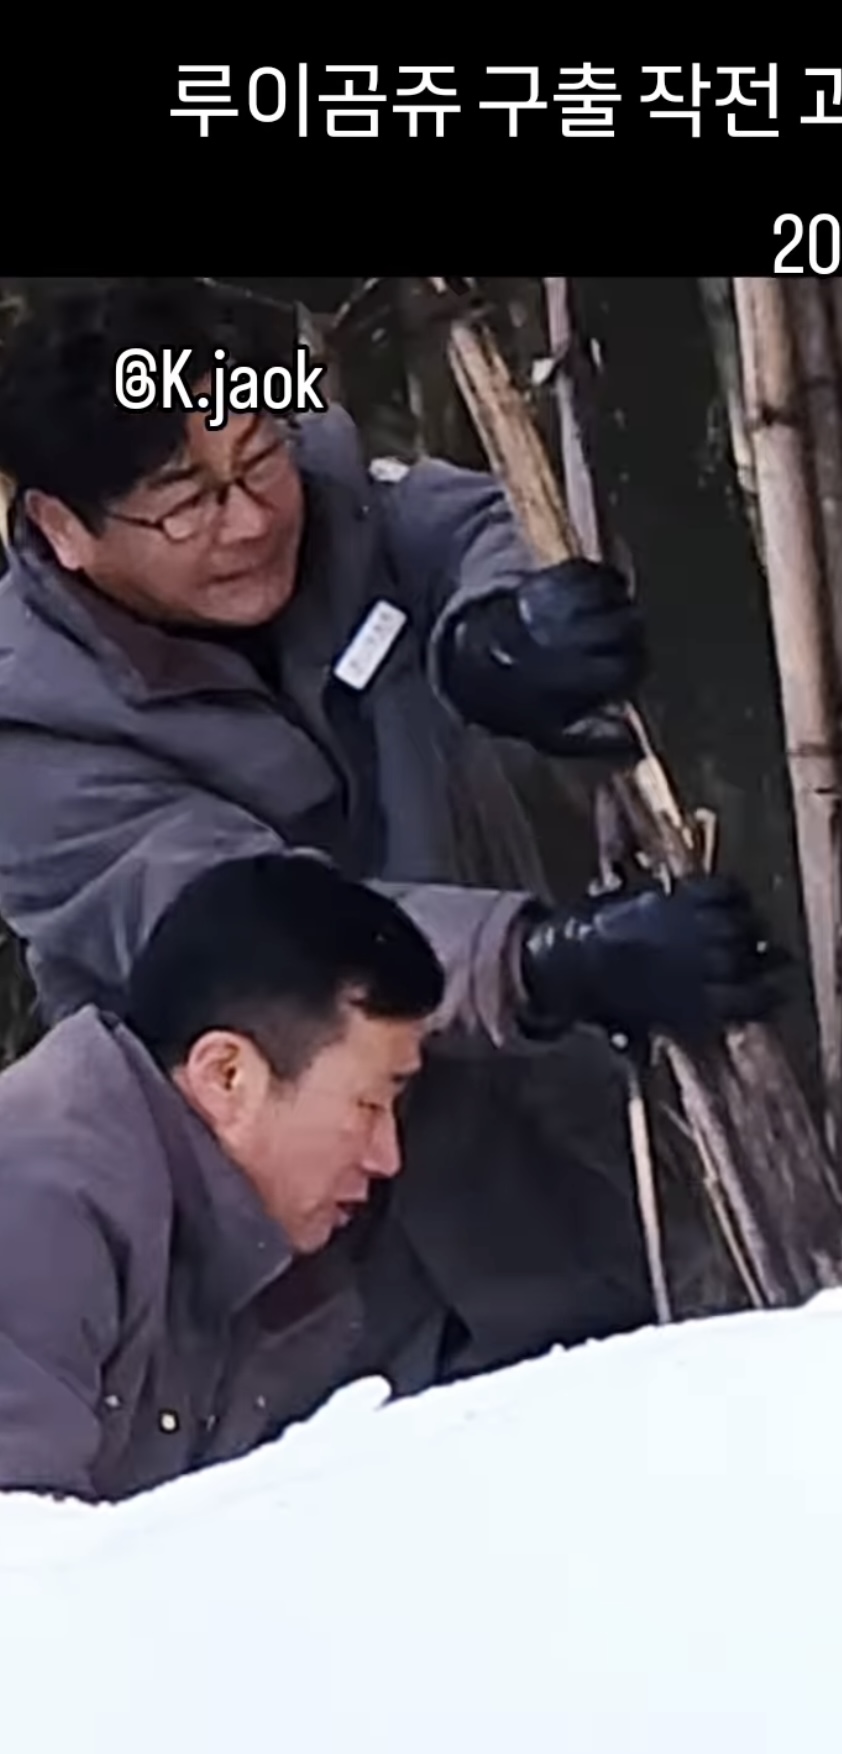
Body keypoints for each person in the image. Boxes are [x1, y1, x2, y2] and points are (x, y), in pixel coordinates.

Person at [0, 277, 789, 1386]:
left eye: (256, 460)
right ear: (62, 528)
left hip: (549, 1165)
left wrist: (495, 636)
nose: (250, 518)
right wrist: (541, 961)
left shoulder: (327, 485)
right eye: (186, 500)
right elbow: (262, 929)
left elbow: (473, 518)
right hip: (302, 1277)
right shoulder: (31, 736)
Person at [0, 853, 455, 1503]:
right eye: (369, 1105)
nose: (387, 1157)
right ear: (227, 1077)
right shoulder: (35, 1203)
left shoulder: (267, 1244)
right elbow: (18, 1566)